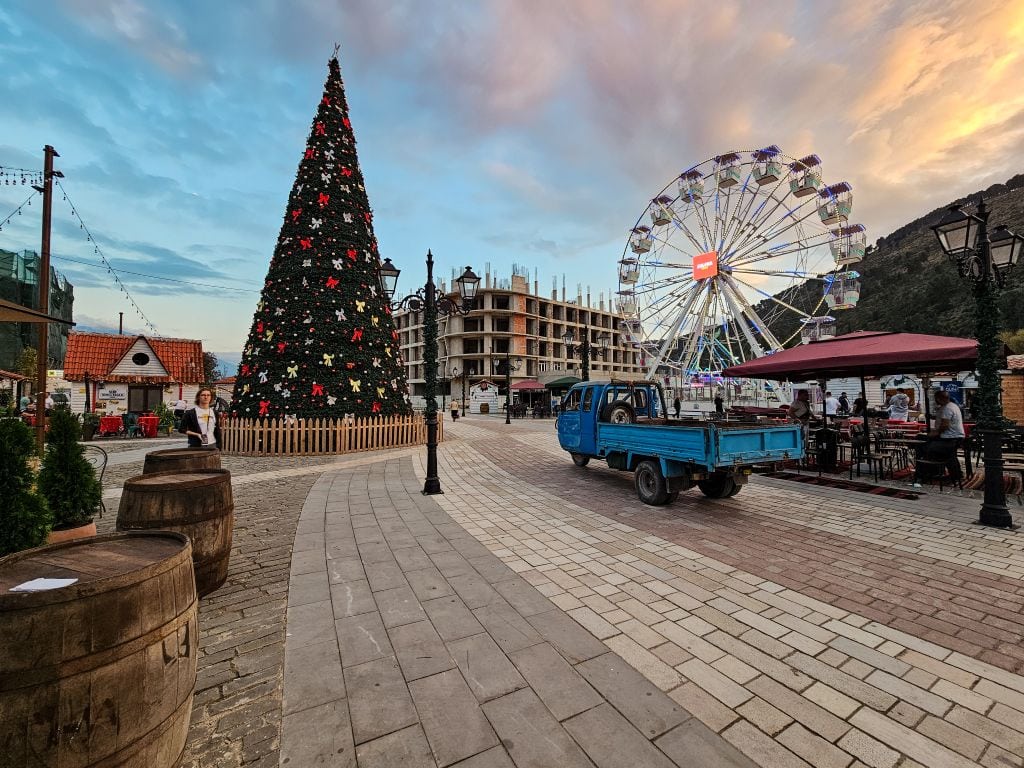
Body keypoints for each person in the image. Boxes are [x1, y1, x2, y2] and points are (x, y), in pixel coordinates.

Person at [916, 389, 965, 483]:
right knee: (948, 455)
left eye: (935, 399)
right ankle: (952, 473)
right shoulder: (952, 406)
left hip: (950, 439)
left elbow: (945, 426)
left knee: (925, 447)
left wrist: (934, 433)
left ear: (939, 398)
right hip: (953, 438)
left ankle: (926, 473)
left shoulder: (947, 408)